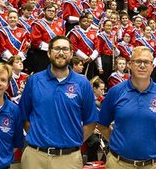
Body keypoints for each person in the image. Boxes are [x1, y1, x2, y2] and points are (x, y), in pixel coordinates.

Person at [19, 36, 99, 169]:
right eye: (56, 48)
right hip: (35, 157)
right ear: (49, 53)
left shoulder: (82, 83)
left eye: (65, 49)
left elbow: (90, 121)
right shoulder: (34, 80)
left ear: (71, 54)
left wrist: (73, 141)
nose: (61, 53)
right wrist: (38, 137)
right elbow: (24, 116)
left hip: (69, 158)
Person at [97, 46, 156, 169]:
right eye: (138, 61)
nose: (142, 66)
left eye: (146, 62)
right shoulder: (115, 92)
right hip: (118, 164)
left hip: (153, 165)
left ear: (152, 66)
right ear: (129, 64)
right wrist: (117, 142)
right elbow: (102, 125)